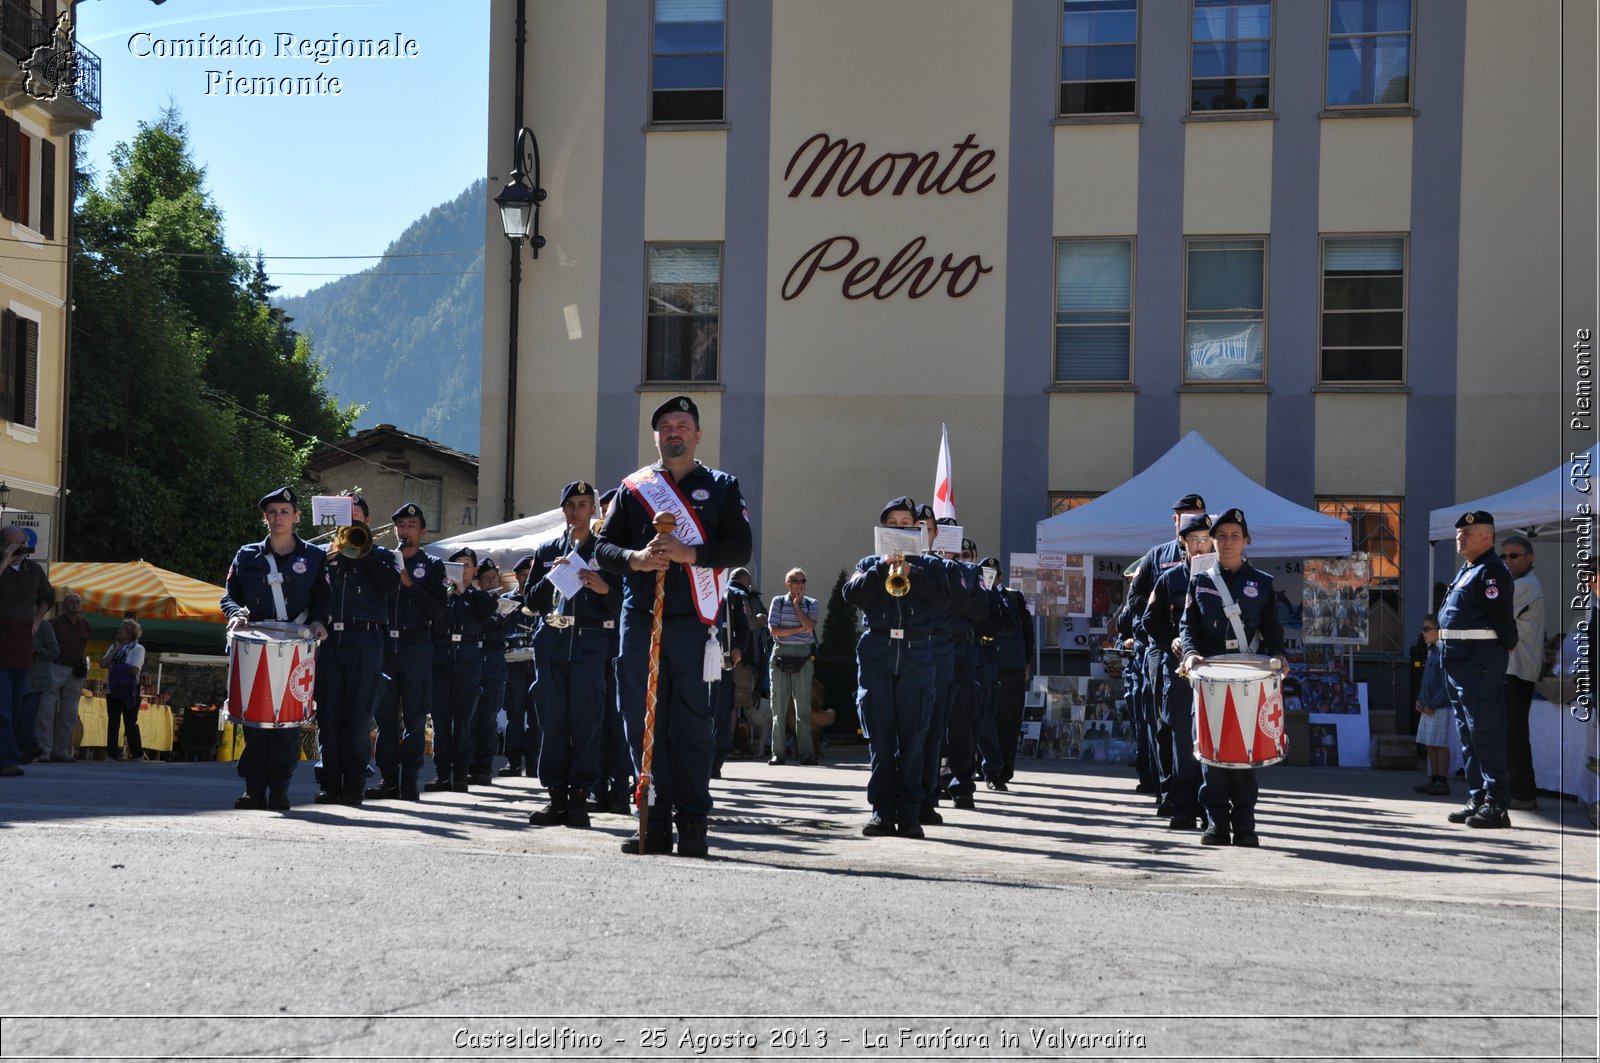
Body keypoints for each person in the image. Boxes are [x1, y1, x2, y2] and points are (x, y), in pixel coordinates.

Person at [595, 395, 753, 857]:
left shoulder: (722, 487)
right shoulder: (634, 488)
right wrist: (636, 559)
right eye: (665, 426)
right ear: (656, 436)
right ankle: (652, 819)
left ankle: (693, 824)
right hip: (641, 618)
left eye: (683, 424)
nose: (674, 432)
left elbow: (739, 549)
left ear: (698, 435)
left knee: (690, 725)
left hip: (690, 625)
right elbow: (604, 549)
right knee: (642, 720)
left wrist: (691, 555)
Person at [842, 495, 951, 837]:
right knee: (882, 739)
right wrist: (881, 568)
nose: (900, 529)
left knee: (914, 739)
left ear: (917, 529)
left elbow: (945, 601)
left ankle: (910, 814)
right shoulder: (869, 562)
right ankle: (881, 812)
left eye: (906, 525)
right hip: (877, 652)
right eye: (893, 525)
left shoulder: (931, 567)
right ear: (883, 528)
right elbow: (852, 595)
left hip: (917, 654)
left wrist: (913, 573)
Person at [1179, 507, 1285, 847]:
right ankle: (1215, 824)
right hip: (1210, 676)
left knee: (1244, 752)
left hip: (1247, 675)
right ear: (1213, 541)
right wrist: (1190, 654)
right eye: (1221, 536)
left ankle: (1245, 826)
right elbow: (1188, 627)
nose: (1227, 542)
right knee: (1212, 753)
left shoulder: (1263, 584)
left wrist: (1280, 656)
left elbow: (1273, 631)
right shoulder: (1200, 581)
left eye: (1234, 536)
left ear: (1246, 541)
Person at [219, 486, 331, 809]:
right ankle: (254, 790)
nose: (278, 517)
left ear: (296, 517)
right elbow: (228, 594)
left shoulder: (314, 556)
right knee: (254, 722)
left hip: (296, 646)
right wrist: (235, 613)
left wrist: (320, 622)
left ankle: (279, 790)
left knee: (287, 725)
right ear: (264, 517)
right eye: (272, 512)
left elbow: (324, 597)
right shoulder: (247, 555)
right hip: (255, 643)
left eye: (284, 512)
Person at [524, 480, 620, 829]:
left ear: (593, 509)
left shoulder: (607, 551)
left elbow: (622, 603)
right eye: (571, 505)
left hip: (589, 644)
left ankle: (580, 796)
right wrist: (553, 575)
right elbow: (530, 601)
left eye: (583, 504)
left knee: (586, 722)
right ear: (563, 509)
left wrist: (603, 586)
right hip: (552, 642)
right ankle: (555, 797)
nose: (577, 511)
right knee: (552, 723)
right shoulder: (548, 548)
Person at [313, 492, 400, 806]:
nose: (350, 522)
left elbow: (390, 587)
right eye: (344, 516)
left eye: (356, 516)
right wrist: (328, 558)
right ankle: (329, 782)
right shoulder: (323, 554)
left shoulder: (384, 556)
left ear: (367, 521)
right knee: (329, 714)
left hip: (365, 639)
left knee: (359, 715)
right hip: (330, 640)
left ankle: (354, 783)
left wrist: (363, 551)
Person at [1128, 492, 1209, 812]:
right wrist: (1160, 619)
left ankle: (1197, 792)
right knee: (1161, 723)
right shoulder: (1159, 556)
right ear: (1175, 521)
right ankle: (1166, 790)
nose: (1191, 523)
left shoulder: (1215, 558)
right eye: (1185, 516)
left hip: (1202, 654)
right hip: (1161, 650)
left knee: (1198, 724)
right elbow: (1136, 600)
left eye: (1198, 517)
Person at [1439, 510, 1518, 829]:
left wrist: (1507, 644)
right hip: (1458, 662)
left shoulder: (1492, 572)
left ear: (1487, 537)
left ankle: (1497, 803)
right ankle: (1478, 796)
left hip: (1478, 663)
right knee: (1468, 735)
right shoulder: (1468, 570)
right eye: (1459, 533)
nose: (1460, 537)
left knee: (1485, 732)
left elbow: (1502, 620)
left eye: (1467, 534)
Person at [367, 502, 446, 803]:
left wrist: (409, 584)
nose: (405, 531)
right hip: (386, 645)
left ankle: (409, 780)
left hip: (416, 645)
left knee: (414, 719)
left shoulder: (434, 565)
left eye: (411, 525)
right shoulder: (384, 560)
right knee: (385, 719)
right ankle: (388, 780)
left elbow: (439, 610)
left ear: (423, 531)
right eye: (400, 526)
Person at [427, 546, 496, 794]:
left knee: (463, 722)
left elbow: (488, 610)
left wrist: (464, 590)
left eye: (467, 565)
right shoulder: (442, 596)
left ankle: (460, 774)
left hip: (468, 661)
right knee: (441, 722)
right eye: (457, 566)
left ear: (475, 570)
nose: (462, 570)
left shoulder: (479, 597)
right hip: (441, 660)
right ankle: (442, 773)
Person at [0, 525, 51, 776]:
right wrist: (5, 559)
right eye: (14, 543)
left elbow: (48, 597)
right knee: (2, 703)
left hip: (21, 640)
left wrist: (38, 620)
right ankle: (7, 758)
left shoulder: (33, 570)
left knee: (16, 702)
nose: (21, 547)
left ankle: (14, 752)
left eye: (22, 542)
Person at [1499, 535, 1544, 810]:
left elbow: (1495, 614)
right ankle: (1520, 792)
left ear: (1529, 558)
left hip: (1516, 670)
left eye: (1513, 556)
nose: (1506, 561)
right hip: (1513, 668)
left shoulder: (1525, 585)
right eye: (1503, 556)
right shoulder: (1515, 584)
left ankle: (1521, 793)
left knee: (1513, 732)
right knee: (1512, 732)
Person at [767, 567, 820, 765]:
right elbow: (774, 631)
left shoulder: (812, 603)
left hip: (803, 655)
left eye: (803, 580)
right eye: (795, 581)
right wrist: (800, 628)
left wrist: (798, 607)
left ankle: (806, 753)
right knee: (778, 708)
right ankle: (778, 753)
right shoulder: (777, 602)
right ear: (787, 584)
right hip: (781, 654)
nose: (800, 584)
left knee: (803, 708)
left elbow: (811, 627)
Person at [468, 558, 512, 786]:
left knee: (488, 718)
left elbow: (502, 627)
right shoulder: (471, 600)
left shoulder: (504, 603)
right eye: (487, 579)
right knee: (471, 718)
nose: (492, 582)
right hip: (474, 659)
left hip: (494, 664)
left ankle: (484, 766)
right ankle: (469, 764)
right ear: (478, 581)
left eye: (495, 579)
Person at [990, 574, 1034, 789]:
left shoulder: (1014, 597)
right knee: (983, 720)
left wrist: (1027, 662)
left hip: (1010, 666)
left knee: (1008, 720)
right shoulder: (973, 594)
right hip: (982, 664)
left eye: (995, 575)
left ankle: (1003, 769)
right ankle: (987, 767)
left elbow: (1027, 632)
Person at [36, 592, 90, 762]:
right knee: (46, 711)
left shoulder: (85, 624)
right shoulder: (53, 624)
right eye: (72, 602)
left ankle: (60, 750)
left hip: (74, 671)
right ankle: (44, 749)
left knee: (69, 713)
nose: (75, 604)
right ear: (65, 605)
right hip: (55, 667)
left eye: (78, 602)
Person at [498, 554, 538, 779]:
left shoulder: (542, 599)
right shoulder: (506, 600)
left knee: (535, 716)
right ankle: (513, 762)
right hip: (512, 664)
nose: (526, 579)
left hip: (535, 662)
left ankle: (533, 763)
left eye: (530, 575)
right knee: (514, 715)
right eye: (523, 575)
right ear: (516, 576)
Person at [1412, 614, 1454, 796]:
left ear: (1439, 631)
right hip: (1427, 706)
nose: (1423, 633)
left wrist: (1434, 704)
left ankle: (1442, 780)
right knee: (1430, 743)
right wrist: (1420, 699)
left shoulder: (1445, 653)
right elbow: (1426, 680)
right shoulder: (1433, 652)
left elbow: (1447, 684)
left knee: (1440, 744)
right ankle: (1434, 779)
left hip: (1439, 707)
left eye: (1427, 629)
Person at [101, 619, 146, 763]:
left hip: (129, 690)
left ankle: (137, 753)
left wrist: (119, 667)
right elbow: (103, 663)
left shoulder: (138, 649)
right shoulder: (114, 647)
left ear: (129, 634)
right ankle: (111, 754)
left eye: (122, 630)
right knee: (113, 722)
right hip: (113, 690)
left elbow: (135, 669)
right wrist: (115, 650)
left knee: (130, 722)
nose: (119, 632)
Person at [17, 613, 57, 763]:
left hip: (36, 679)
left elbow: (54, 650)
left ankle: (23, 749)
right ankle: (33, 746)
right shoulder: (14, 623)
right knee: (21, 714)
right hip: (19, 677)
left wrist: (38, 651)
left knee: (27, 715)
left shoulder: (45, 627)